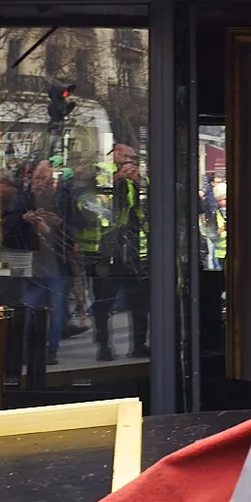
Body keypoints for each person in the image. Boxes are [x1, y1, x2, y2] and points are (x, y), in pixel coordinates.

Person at [5, 159, 70, 366]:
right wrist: (25, 219)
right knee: (28, 308)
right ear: (31, 179)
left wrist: (56, 225)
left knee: (57, 310)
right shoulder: (23, 199)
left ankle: (51, 350)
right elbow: (7, 228)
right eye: (38, 178)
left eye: (47, 179)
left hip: (55, 265)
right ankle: (24, 350)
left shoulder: (61, 201)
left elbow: (73, 233)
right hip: (32, 266)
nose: (42, 182)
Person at [93, 142, 149, 361]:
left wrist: (138, 182)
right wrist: (116, 179)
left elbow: (146, 208)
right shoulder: (102, 174)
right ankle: (104, 346)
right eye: (127, 159)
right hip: (109, 250)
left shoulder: (139, 179)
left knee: (139, 302)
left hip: (134, 250)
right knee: (104, 302)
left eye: (133, 161)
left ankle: (139, 344)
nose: (131, 164)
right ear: (115, 155)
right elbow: (96, 204)